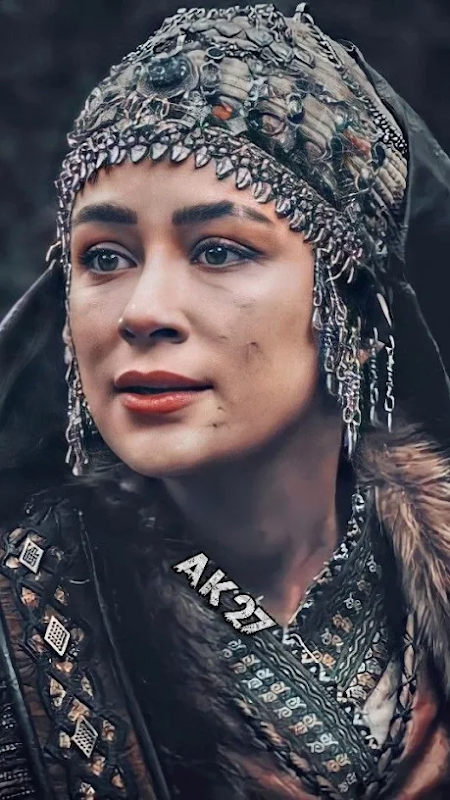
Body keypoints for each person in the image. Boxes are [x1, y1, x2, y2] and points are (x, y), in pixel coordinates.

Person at [0, 3, 450, 798]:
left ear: (357, 319)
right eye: (104, 257)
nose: (142, 311)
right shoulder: (25, 630)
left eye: (217, 250)